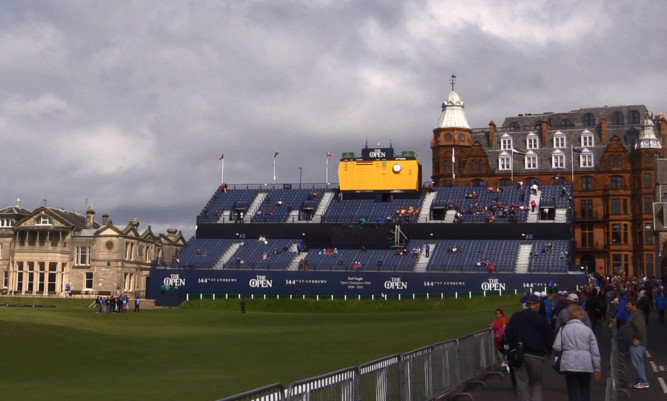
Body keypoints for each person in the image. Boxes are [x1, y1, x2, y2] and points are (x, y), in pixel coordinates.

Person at [504, 294, 555, 401]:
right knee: (536, 385)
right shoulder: (541, 319)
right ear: (536, 305)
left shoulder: (516, 316)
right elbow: (550, 338)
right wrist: (549, 350)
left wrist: (509, 351)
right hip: (536, 356)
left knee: (521, 387)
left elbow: (507, 335)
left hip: (519, 354)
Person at [553, 305, 602, 401]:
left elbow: (557, 346)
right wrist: (597, 368)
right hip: (585, 363)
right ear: (581, 316)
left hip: (569, 363)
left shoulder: (563, 329)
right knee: (585, 390)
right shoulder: (588, 330)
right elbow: (595, 351)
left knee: (572, 390)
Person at [624, 297, 649, 389]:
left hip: (637, 343)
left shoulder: (637, 315)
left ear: (634, 305)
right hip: (634, 343)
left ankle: (643, 382)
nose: (626, 306)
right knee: (638, 362)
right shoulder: (634, 314)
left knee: (637, 362)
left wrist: (637, 338)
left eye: (628, 304)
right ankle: (638, 381)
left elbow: (640, 327)